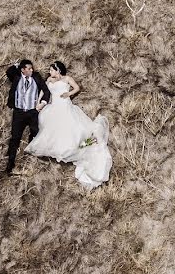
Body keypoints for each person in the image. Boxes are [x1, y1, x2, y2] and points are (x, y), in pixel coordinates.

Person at [25, 61, 112, 189]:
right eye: (50, 70)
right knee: (53, 129)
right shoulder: (49, 79)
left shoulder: (67, 79)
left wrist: (69, 94)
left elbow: (77, 88)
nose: (50, 72)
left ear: (58, 70)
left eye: (52, 70)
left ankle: (82, 145)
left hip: (65, 106)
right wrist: (38, 102)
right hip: (53, 107)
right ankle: (57, 148)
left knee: (73, 130)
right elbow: (43, 91)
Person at [5, 59, 52, 174]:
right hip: (19, 113)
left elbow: (46, 90)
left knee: (35, 133)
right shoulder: (16, 77)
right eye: (29, 68)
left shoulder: (36, 77)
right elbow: (8, 72)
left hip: (32, 112)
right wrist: (16, 64)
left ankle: (33, 157)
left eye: (32, 68)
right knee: (15, 137)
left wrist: (43, 103)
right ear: (23, 70)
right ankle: (10, 162)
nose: (32, 70)